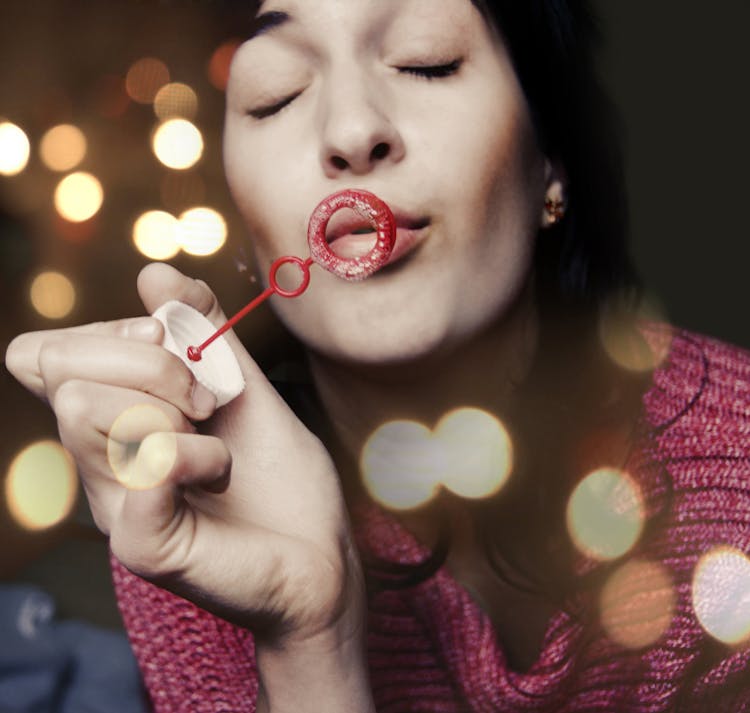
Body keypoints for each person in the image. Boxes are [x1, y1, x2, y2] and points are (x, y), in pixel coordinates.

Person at [6, 0, 750, 711]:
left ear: (550, 162)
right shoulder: (197, 511)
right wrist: (307, 637)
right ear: (239, 219)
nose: (353, 129)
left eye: (425, 63)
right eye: (277, 94)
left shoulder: (735, 464)